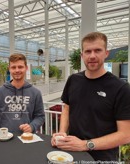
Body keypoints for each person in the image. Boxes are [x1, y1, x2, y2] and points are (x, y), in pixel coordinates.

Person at [51, 32, 130, 161]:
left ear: (106, 53)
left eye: (97, 50)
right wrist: (62, 134)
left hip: (102, 159)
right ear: (82, 55)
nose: (92, 56)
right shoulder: (73, 80)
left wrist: (85, 145)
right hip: (71, 154)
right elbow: (66, 108)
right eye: (88, 51)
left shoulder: (121, 88)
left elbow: (126, 134)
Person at [0, 53, 45, 136]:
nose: (17, 70)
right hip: (4, 138)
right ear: (9, 69)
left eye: (20, 67)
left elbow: (40, 116)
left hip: (26, 138)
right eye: (13, 67)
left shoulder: (35, 93)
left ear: (26, 68)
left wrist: (32, 126)